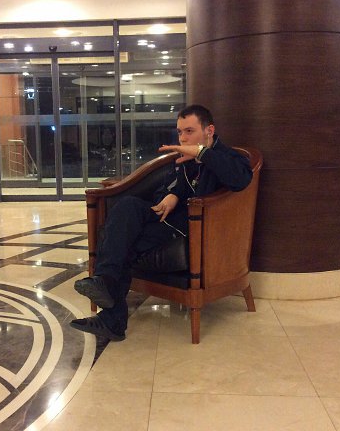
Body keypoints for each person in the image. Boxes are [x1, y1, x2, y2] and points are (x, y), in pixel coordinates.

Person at [70, 104, 253, 341]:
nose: (183, 138)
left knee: (124, 243)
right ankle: (104, 281)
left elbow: (240, 179)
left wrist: (201, 153)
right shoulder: (183, 162)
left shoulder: (228, 157)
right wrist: (172, 194)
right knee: (127, 206)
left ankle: (113, 319)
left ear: (209, 130)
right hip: (165, 219)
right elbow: (160, 191)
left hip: (191, 229)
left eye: (189, 131)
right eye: (180, 132)